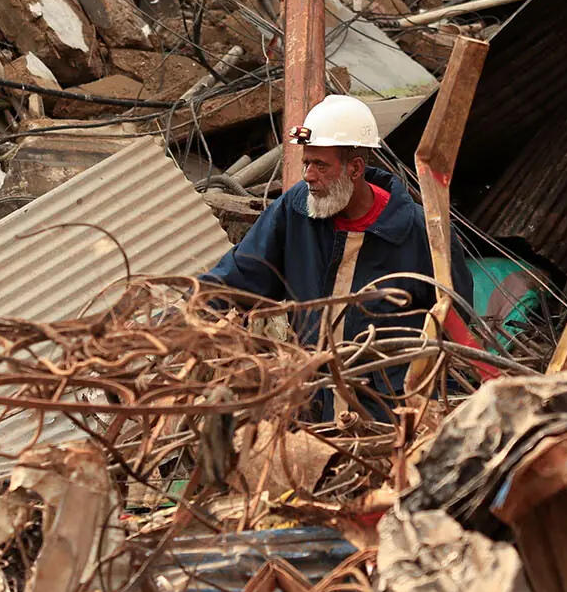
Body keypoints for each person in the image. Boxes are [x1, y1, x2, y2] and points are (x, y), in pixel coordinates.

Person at [200, 94, 478, 415]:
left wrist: (429, 409)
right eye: (306, 163)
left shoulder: (420, 230)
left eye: (320, 165)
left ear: (355, 168)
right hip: (311, 404)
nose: (308, 175)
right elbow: (239, 278)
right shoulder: (296, 211)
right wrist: (179, 323)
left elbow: (454, 324)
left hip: (389, 413)